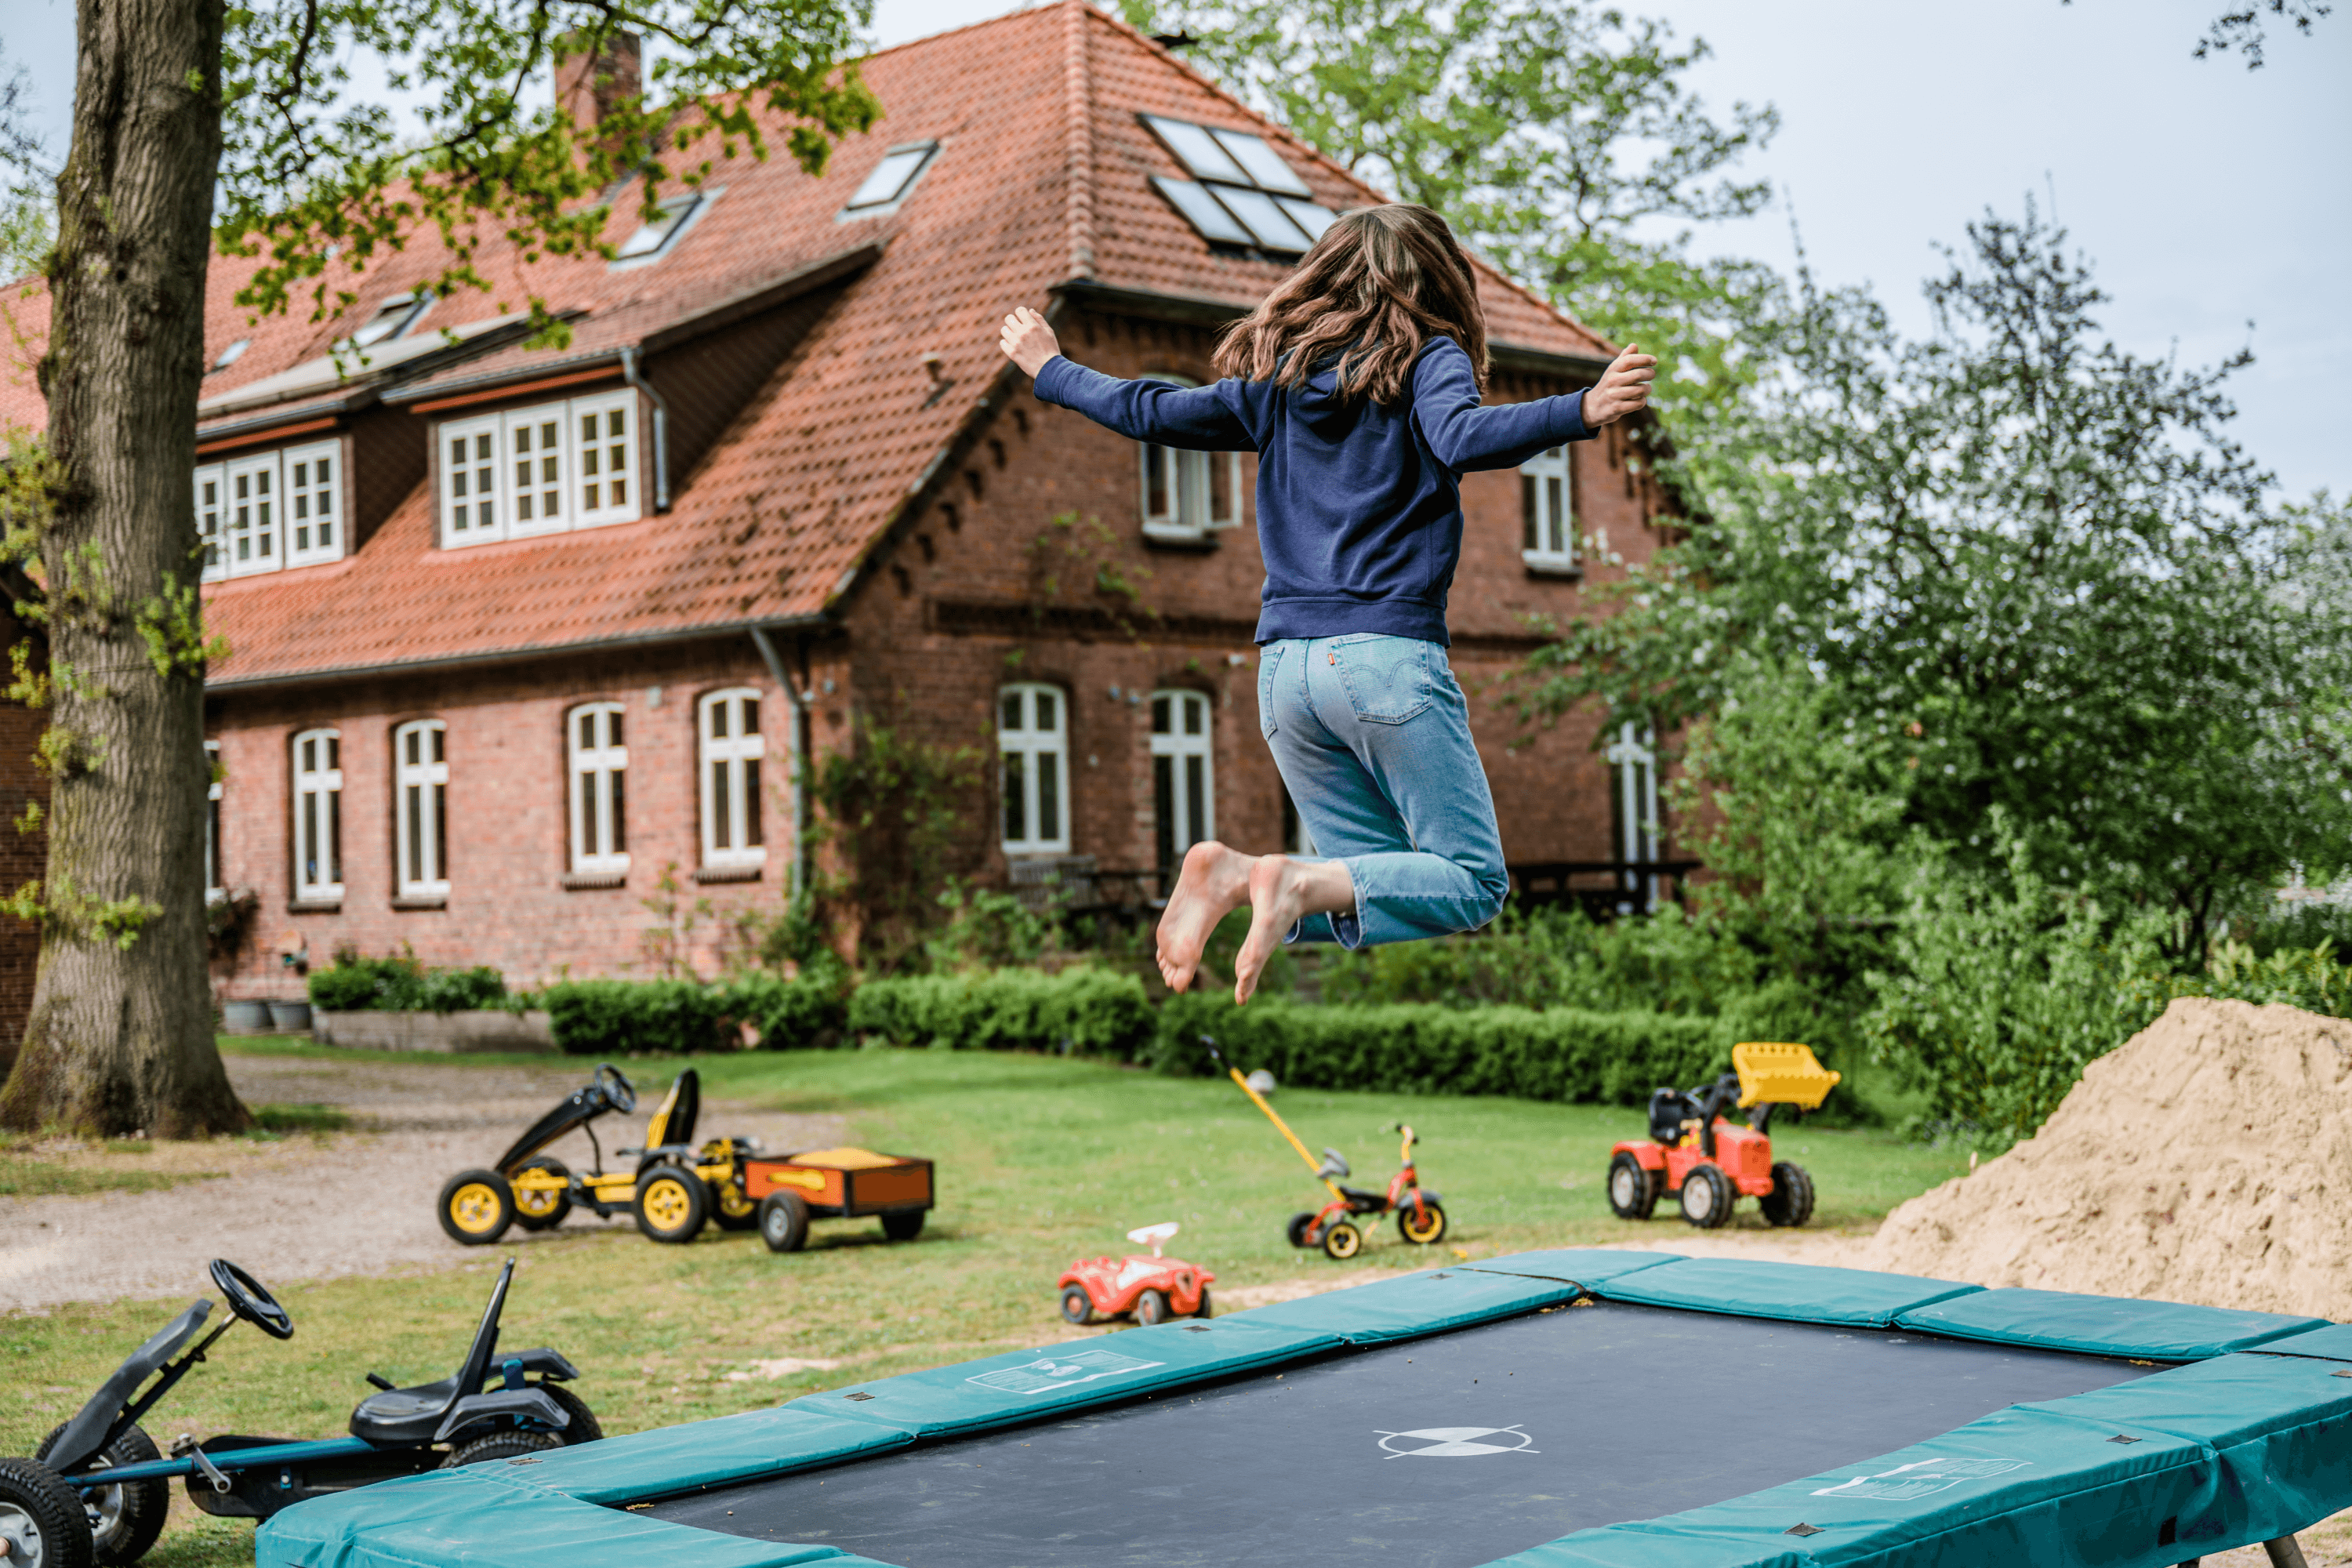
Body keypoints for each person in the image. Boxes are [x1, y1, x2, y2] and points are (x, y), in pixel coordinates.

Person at [997, 203, 1655, 1004]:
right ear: (1440, 284)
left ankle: (1239, 875)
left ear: (1323, 280)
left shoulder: (1274, 387)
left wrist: (1052, 369)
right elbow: (1459, 436)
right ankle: (1275, 878)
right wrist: (1580, 409)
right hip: (1384, 663)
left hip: (1285, 676)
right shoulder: (1430, 357)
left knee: (1367, 879)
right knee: (1472, 880)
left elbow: (1154, 410)